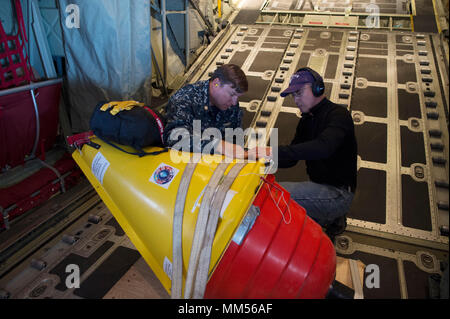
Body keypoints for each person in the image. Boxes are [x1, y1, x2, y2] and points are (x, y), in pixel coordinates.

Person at [251, 67, 357, 239]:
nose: (296, 100)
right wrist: (259, 162)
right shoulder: (307, 120)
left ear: (318, 88)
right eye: (294, 95)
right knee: (269, 187)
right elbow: (292, 159)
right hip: (319, 186)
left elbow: (324, 147)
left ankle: (331, 216)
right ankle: (328, 217)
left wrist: (272, 152)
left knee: (271, 195)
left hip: (338, 193)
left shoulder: (338, 115)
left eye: (299, 93)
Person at [163, 64, 250, 159]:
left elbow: (235, 141)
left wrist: (249, 154)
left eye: (237, 97)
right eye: (232, 94)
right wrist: (218, 146)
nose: (234, 102)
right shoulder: (184, 99)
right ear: (216, 83)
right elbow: (174, 139)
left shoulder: (231, 105)